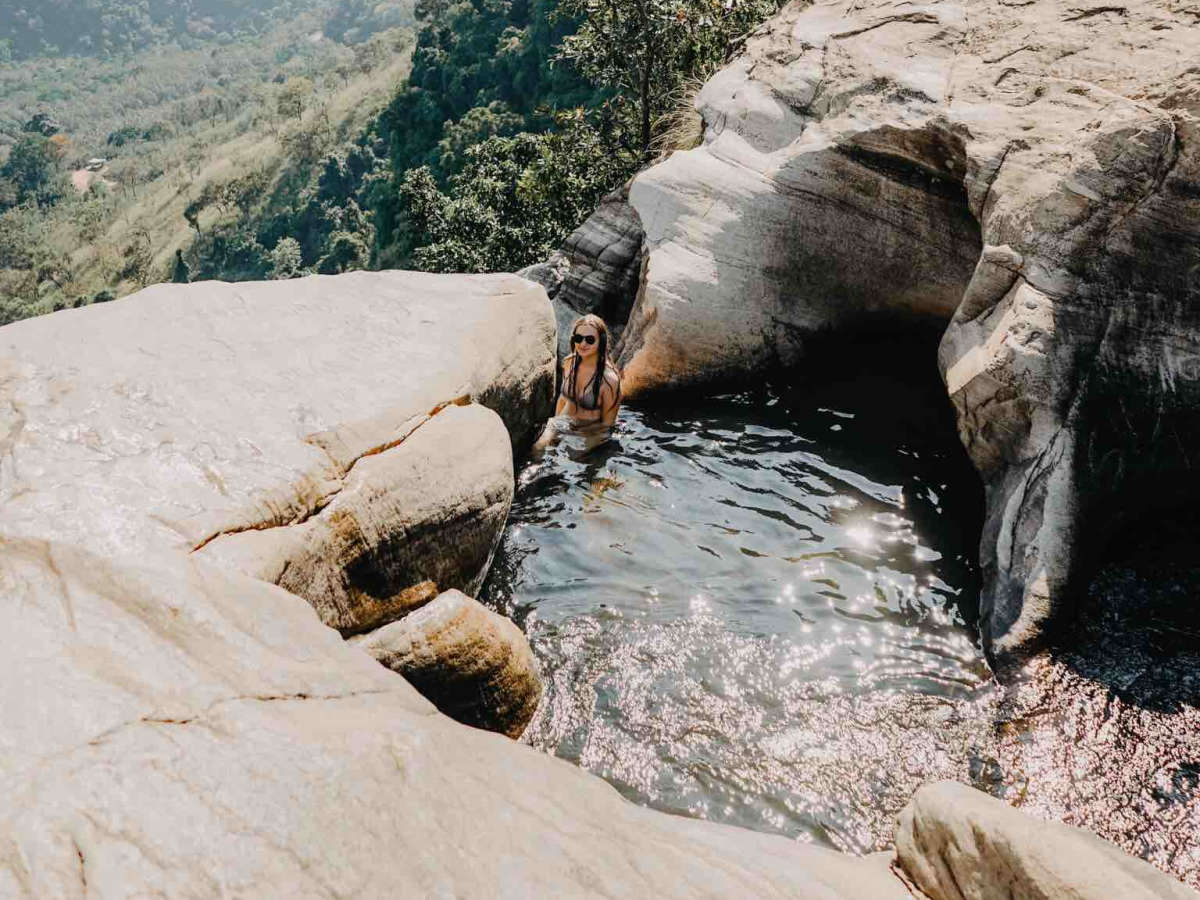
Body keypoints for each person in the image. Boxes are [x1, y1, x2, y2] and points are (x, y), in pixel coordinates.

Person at [530, 313, 623, 458]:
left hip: (592, 431)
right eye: (578, 338)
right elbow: (562, 399)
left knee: (570, 456)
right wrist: (554, 429)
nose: (583, 344)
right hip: (564, 422)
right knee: (538, 448)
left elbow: (607, 424)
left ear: (601, 342)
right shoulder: (569, 363)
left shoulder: (610, 381)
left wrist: (577, 435)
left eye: (590, 340)